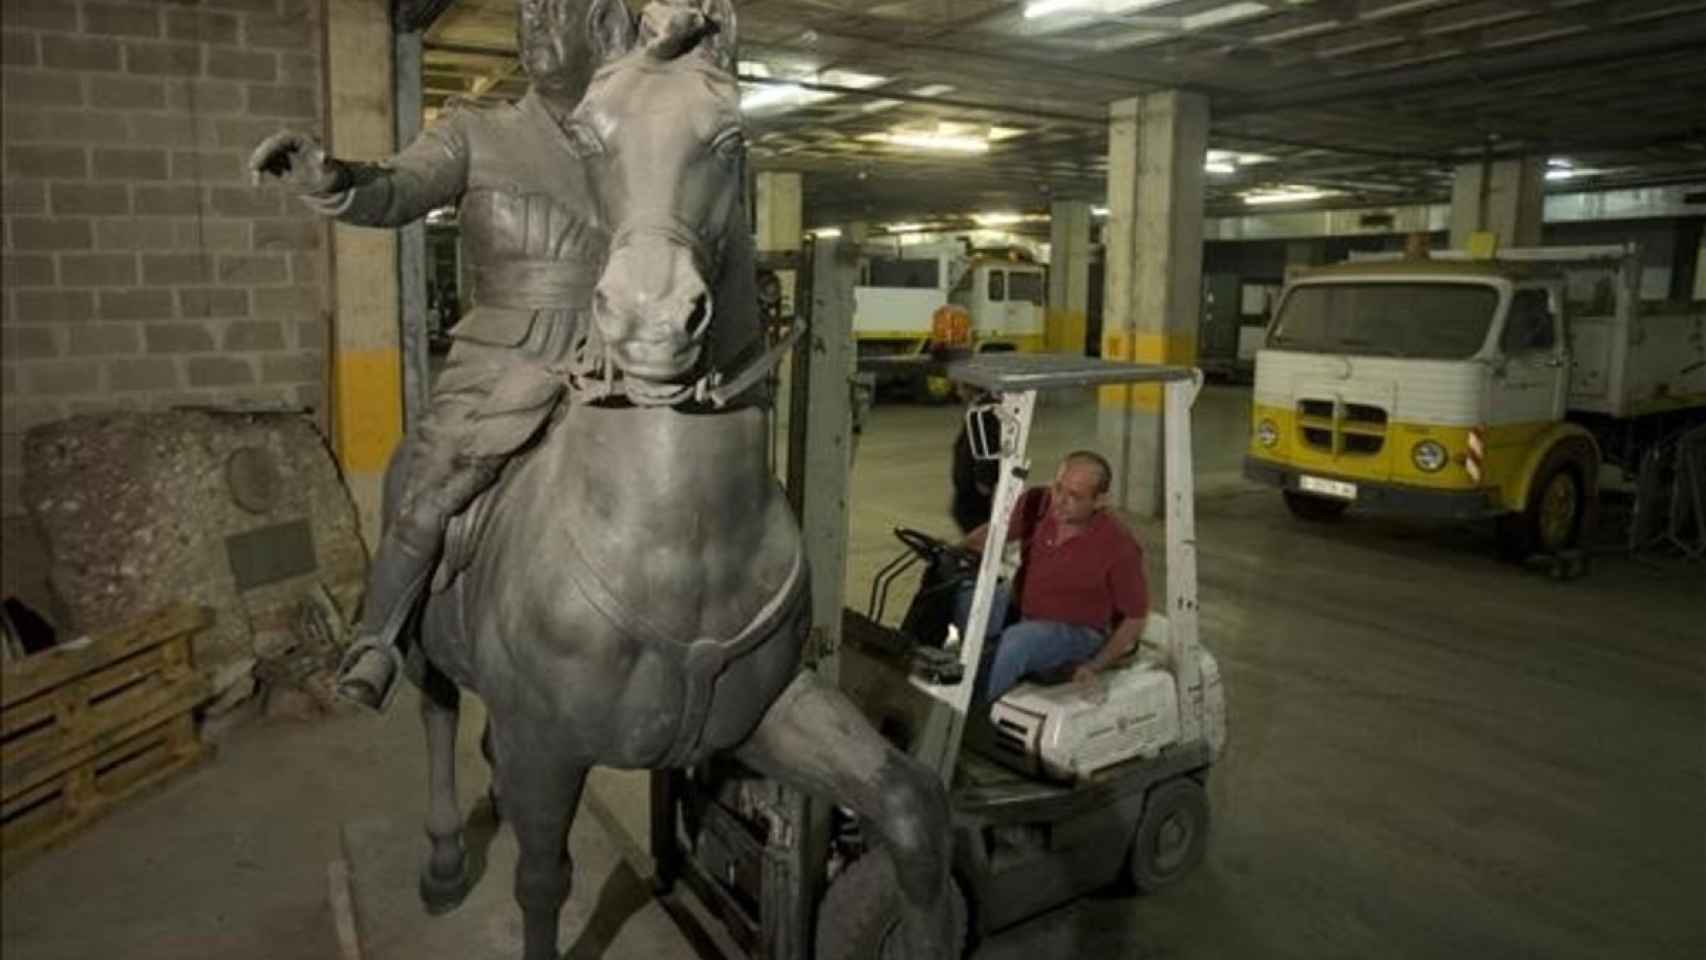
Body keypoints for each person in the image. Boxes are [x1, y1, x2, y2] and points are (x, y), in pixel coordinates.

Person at [248, 0, 605, 712]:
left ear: (599, 27)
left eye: (554, 14)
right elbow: (398, 187)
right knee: (432, 487)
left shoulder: (629, 137)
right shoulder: (478, 131)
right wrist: (334, 179)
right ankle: (379, 637)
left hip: (620, 347)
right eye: (526, 18)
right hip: (510, 355)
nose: (534, 30)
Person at [958, 450, 1148, 704]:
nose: (1059, 500)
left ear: (1100, 500)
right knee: (964, 596)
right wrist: (958, 548)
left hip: (1078, 632)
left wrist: (1095, 666)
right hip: (1024, 607)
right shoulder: (1036, 503)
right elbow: (996, 533)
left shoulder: (1118, 546)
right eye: (1058, 488)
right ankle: (951, 676)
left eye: (1074, 496)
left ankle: (963, 713)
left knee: (1019, 641)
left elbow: (1135, 618)